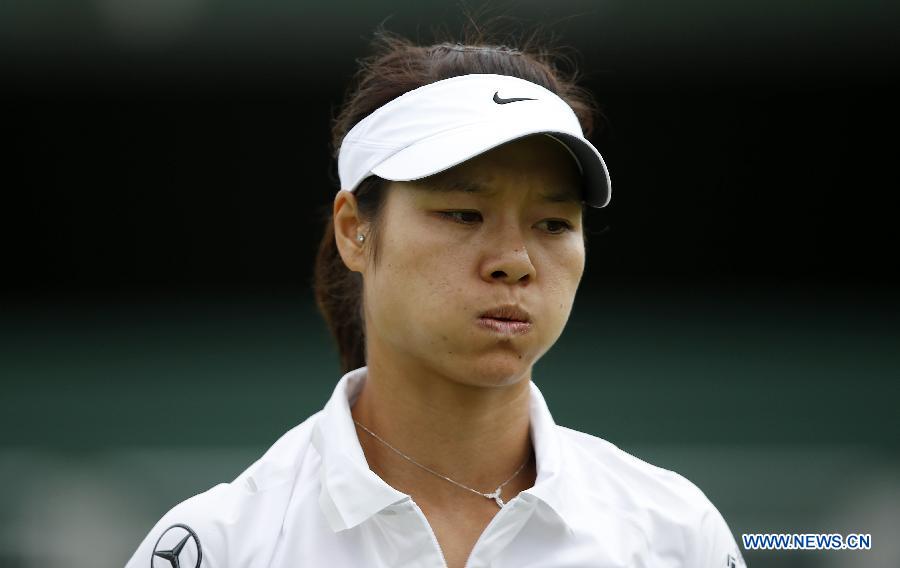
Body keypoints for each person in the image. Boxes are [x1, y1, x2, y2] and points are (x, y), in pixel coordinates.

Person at [126, 29, 746, 568]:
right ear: (354, 230)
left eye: (554, 224)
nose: (514, 261)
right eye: (462, 213)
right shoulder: (219, 547)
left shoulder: (676, 536)